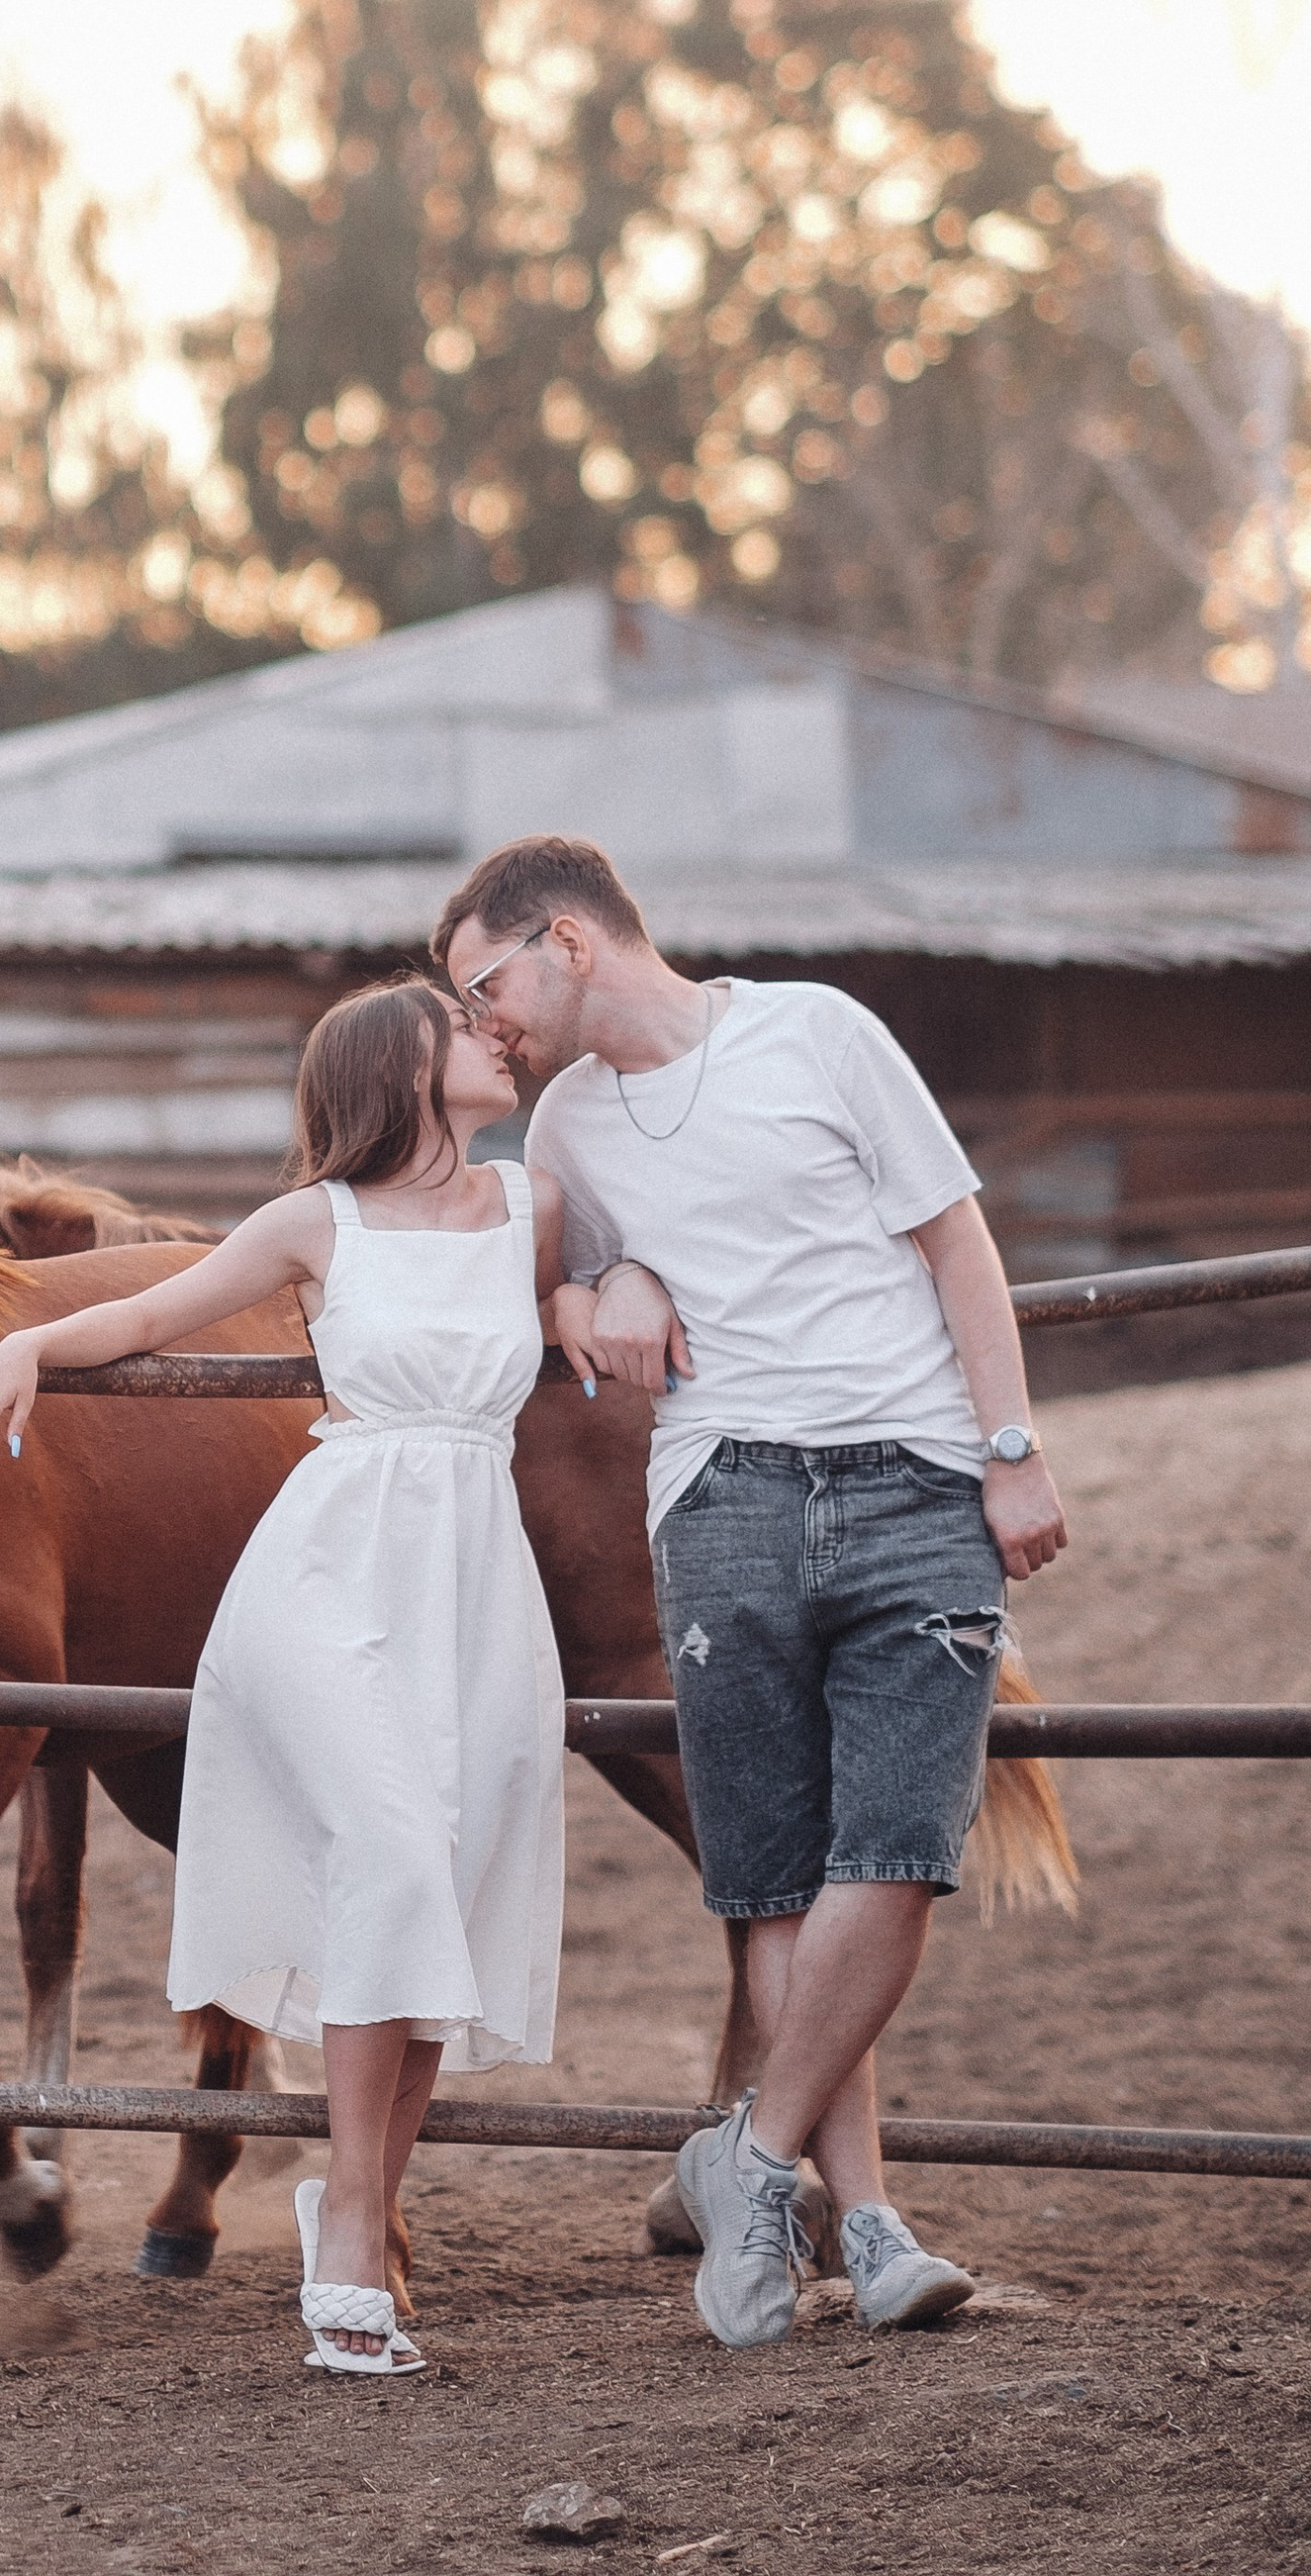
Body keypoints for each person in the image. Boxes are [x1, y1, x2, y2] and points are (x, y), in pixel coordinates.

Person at [436, 833, 1069, 2347]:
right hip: (723, 1503)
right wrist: (609, 1287)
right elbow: (527, 1279)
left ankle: (750, 2158)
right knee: (774, 1881)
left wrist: (1011, 1452)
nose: (481, 1025)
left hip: (918, 1482)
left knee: (903, 1854)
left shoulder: (819, 1031)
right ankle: (863, 2223)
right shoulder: (571, 1129)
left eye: (485, 984)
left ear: (571, 940)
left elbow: (955, 1241)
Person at [0, 977, 599, 2377]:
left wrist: (626, 1288)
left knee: (447, 1887)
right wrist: (23, 1344)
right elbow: (145, 1318)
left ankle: (354, 2204)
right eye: (456, 1020)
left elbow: (614, 1272)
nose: (489, 1030)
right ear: (399, 1068)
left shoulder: (532, 1206)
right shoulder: (320, 1223)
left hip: (477, 1593)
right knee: (388, 1851)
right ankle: (355, 2236)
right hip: (328, 1574)